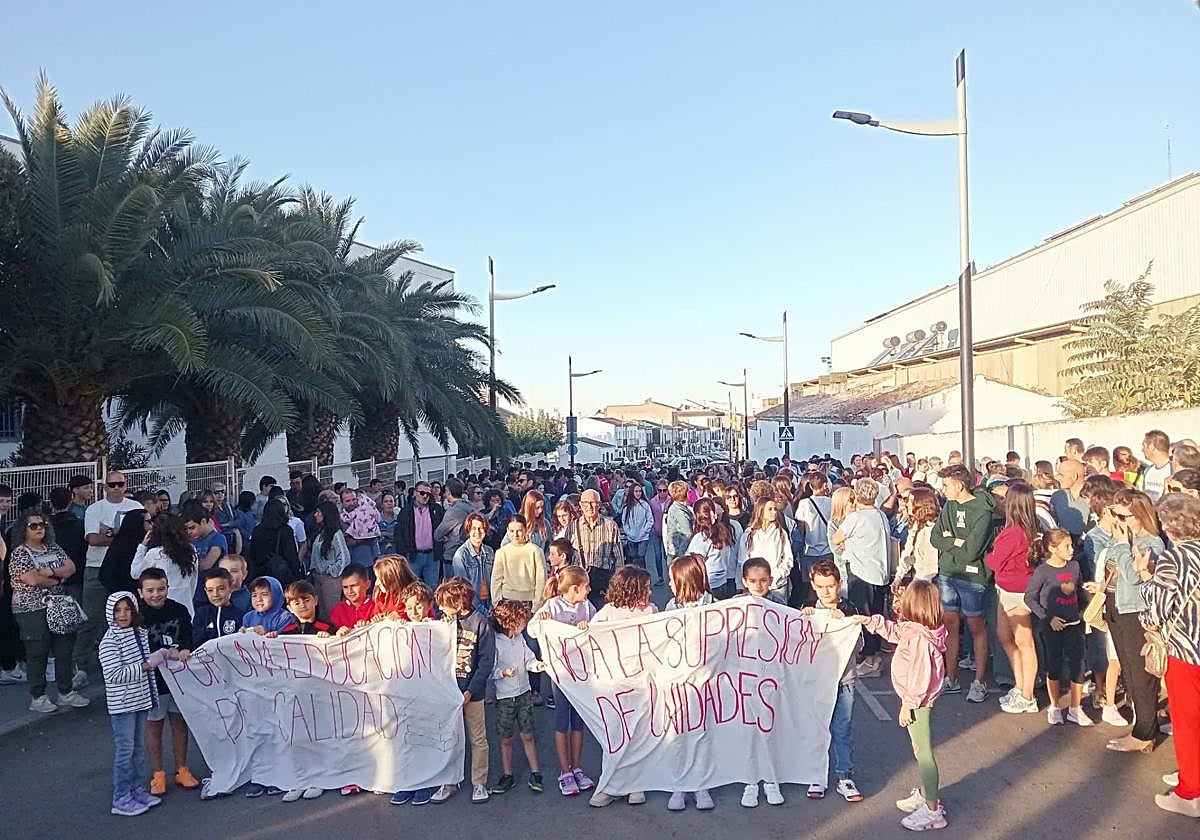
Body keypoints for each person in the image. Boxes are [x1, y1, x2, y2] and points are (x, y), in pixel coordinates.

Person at [849, 580, 948, 832]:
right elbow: (894, 631)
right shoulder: (917, 630)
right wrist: (870, 621)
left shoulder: (919, 639)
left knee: (922, 752)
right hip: (918, 701)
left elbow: (920, 676)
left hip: (918, 703)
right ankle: (927, 793)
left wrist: (909, 705)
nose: (898, 602)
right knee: (920, 750)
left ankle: (933, 810)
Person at [1135, 493, 1200, 818]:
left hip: (1186, 649)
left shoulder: (1175, 559)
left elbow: (1157, 608)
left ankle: (1190, 791)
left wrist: (1145, 577)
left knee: (1187, 722)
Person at [1099, 488, 1166, 748]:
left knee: (1141, 675)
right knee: (1128, 672)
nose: (1119, 521)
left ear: (1138, 515)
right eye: (1115, 514)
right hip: (1118, 606)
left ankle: (1145, 734)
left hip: (1136, 611)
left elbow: (1133, 576)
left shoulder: (1152, 543)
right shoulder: (1127, 538)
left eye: (1123, 515)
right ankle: (1140, 727)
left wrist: (1120, 544)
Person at [586, 564, 656, 808]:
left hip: (641, 684)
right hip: (614, 684)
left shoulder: (650, 611)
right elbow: (588, 635)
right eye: (645, 588)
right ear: (632, 589)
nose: (649, 592)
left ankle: (637, 785)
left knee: (638, 736)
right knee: (614, 737)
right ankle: (612, 785)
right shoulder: (608, 612)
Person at [7, 511, 90, 713]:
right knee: (38, 652)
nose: (39, 529)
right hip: (31, 609)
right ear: (23, 529)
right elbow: (32, 579)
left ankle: (66, 692)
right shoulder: (20, 553)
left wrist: (50, 573)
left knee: (64, 648)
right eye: (33, 526)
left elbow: (70, 567)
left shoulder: (53, 547)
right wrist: (58, 579)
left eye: (42, 524)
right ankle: (38, 696)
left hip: (58, 605)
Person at [423, 577, 494, 806]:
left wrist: (471, 691)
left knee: (477, 738)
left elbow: (486, 662)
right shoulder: (442, 622)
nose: (440, 608)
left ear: (459, 602)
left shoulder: (480, 623)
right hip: (447, 691)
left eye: (445, 603)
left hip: (472, 692)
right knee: (449, 737)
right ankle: (449, 780)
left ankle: (479, 782)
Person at [100, 591, 169, 816]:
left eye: (127, 609)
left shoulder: (139, 633)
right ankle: (120, 797)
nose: (123, 614)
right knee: (125, 751)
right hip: (122, 705)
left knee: (138, 749)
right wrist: (147, 664)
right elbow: (113, 675)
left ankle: (137, 789)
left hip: (141, 700)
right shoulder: (109, 641)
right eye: (117, 610)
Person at [930, 464, 995, 702]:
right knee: (950, 626)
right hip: (948, 572)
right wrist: (958, 542)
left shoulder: (982, 511)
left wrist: (953, 541)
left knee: (976, 626)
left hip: (972, 576)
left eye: (946, 485)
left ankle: (979, 682)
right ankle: (951, 678)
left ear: (959, 485)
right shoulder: (948, 505)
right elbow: (936, 536)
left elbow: (972, 552)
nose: (942, 489)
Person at [800, 560, 862, 804]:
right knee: (817, 727)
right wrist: (804, 620)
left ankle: (844, 775)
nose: (826, 592)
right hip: (816, 680)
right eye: (820, 586)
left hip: (844, 678)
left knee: (842, 728)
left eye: (831, 586)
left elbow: (860, 646)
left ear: (839, 584)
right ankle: (816, 773)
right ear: (813, 586)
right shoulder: (806, 610)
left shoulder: (850, 608)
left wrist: (845, 621)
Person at [135, 567, 199, 795]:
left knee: (179, 722)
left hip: (178, 677)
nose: (156, 594)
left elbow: (188, 637)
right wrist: (163, 654)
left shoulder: (179, 610)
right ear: (141, 592)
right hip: (153, 680)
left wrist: (184, 649)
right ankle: (158, 773)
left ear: (167, 588)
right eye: (150, 590)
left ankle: (182, 768)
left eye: (161, 589)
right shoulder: (137, 616)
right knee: (154, 725)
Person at [535, 566, 596, 796]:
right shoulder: (552, 606)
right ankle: (564, 771)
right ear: (574, 588)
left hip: (581, 673)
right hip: (560, 673)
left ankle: (577, 767)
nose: (589, 590)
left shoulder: (586, 607)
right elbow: (533, 630)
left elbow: (596, 629)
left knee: (578, 722)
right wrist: (542, 619)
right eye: (585, 587)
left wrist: (588, 627)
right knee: (562, 720)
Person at [1024, 529, 1092, 729]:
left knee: (1078, 665)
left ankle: (1075, 708)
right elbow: (1029, 597)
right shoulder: (1043, 571)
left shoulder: (1075, 566)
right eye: (1066, 546)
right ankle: (1054, 706)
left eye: (1072, 545)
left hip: (1074, 624)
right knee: (1053, 665)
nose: (1071, 550)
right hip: (1052, 627)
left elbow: (1078, 591)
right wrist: (1047, 617)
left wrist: (1084, 609)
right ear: (1052, 549)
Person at [663, 553, 714, 811]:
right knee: (679, 732)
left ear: (685, 580)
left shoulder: (713, 606)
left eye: (673, 579)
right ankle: (680, 784)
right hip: (679, 682)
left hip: (705, 681)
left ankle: (701, 784)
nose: (670, 585)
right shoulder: (671, 608)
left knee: (702, 733)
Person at [985, 483, 1041, 714]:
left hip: (1016, 591)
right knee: (1005, 636)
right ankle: (1020, 685)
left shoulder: (1012, 534)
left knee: (1024, 642)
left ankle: (1028, 694)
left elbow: (994, 562)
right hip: (1006, 589)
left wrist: (989, 555)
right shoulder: (1029, 529)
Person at [81, 472, 144, 672]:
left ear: (125, 486)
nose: (116, 488)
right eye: (112, 484)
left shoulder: (136, 507)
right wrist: (123, 537)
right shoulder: (94, 509)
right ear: (105, 487)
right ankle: (79, 666)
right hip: (97, 566)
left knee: (130, 617)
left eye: (120, 484)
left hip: (128, 568)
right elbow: (92, 539)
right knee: (91, 619)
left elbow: (142, 537)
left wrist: (109, 533)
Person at [832, 479, 891, 679]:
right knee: (875, 614)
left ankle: (870, 658)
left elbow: (836, 538)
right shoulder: (881, 515)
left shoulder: (855, 518)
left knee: (862, 615)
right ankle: (872, 655)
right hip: (879, 571)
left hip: (861, 571)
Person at [488, 599, 545, 796]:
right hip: (505, 696)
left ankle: (536, 772)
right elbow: (491, 669)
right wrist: (503, 673)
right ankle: (507, 774)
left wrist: (536, 665)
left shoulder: (519, 639)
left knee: (528, 734)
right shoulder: (495, 642)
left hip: (524, 693)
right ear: (511, 622)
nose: (525, 625)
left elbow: (528, 658)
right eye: (522, 621)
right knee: (506, 738)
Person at [131, 513, 198, 619]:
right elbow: (194, 580)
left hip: (163, 605)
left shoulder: (155, 553)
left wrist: (142, 546)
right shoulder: (190, 550)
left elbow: (135, 573)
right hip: (186, 603)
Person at [568, 489, 625, 609]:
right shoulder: (573, 527)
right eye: (585, 503)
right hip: (579, 583)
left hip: (603, 582)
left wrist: (617, 585)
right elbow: (568, 557)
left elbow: (618, 559)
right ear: (580, 506)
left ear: (599, 504)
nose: (589, 507)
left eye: (593, 503)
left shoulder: (610, 526)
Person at [738, 496, 793, 603]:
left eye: (775, 509)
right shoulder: (749, 534)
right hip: (755, 585)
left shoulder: (781, 533)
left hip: (777, 585)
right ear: (761, 510)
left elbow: (788, 558)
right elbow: (743, 559)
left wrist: (779, 574)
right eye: (770, 509)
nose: (774, 512)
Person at [492, 515, 547, 608]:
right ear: (507, 531)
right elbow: (496, 579)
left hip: (528, 601)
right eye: (512, 531)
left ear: (525, 530)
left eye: (519, 531)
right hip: (507, 601)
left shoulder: (535, 551)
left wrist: (537, 604)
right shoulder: (502, 552)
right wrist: (497, 602)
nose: (515, 534)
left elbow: (541, 579)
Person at [396, 481, 443, 588]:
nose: (425, 496)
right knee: (411, 587)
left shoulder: (436, 509)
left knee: (432, 587)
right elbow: (399, 533)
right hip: (413, 556)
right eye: (422, 493)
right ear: (415, 493)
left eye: (428, 494)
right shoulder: (406, 511)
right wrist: (404, 553)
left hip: (432, 556)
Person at [687, 498, 737, 600]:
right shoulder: (724, 532)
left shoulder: (701, 538)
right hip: (722, 582)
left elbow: (695, 564)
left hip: (707, 585)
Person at [308, 500, 351, 617]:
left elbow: (344, 558)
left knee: (332, 611)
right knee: (321, 612)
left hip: (330, 578)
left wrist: (330, 570)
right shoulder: (320, 533)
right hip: (318, 576)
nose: (315, 515)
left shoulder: (336, 534)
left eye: (318, 512)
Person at [893, 487, 939, 587]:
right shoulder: (916, 525)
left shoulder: (931, 529)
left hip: (927, 583)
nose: (907, 504)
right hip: (918, 579)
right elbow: (908, 553)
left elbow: (932, 565)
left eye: (910, 501)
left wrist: (918, 584)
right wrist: (899, 577)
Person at [247, 500, 302, 585]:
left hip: (260, 574)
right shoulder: (286, 530)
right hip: (280, 573)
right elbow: (291, 555)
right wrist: (297, 574)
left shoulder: (257, 530)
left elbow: (252, 554)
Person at [452, 513, 496, 614]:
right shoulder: (461, 555)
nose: (477, 532)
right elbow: (464, 588)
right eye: (474, 528)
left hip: (489, 602)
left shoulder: (489, 551)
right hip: (472, 605)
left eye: (481, 528)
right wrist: (482, 610)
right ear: (468, 530)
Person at [191, 567, 246, 647]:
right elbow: (195, 641)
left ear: (230, 588)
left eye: (221, 589)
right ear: (205, 591)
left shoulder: (240, 615)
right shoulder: (201, 613)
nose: (215, 594)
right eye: (210, 590)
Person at [340, 488, 383, 567]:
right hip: (353, 564)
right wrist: (366, 538)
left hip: (372, 560)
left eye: (354, 499)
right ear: (342, 503)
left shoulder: (366, 513)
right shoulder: (341, 520)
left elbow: (375, 535)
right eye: (348, 501)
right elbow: (345, 542)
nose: (352, 503)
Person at [330, 565, 377, 636]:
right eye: (345, 587)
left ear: (368, 584)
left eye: (354, 585)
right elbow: (331, 636)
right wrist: (338, 633)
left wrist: (371, 625)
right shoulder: (337, 610)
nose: (349, 591)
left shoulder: (377, 605)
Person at [619, 483, 654, 571]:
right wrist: (628, 532)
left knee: (641, 558)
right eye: (636, 491)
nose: (638, 493)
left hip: (643, 537)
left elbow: (650, 520)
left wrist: (644, 531)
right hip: (631, 537)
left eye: (640, 491)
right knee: (633, 558)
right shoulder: (627, 507)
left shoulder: (645, 505)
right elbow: (624, 522)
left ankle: (644, 577)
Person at [662, 481, 695, 568]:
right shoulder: (680, 512)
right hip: (678, 553)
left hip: (675, 551)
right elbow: (687, 534)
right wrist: (683, 558)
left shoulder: (678, 508)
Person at [1138, 429, 1173, 501]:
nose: (1142, 450)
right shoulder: (1147, 471)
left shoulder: (1173, 470)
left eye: (1144, 446)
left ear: (1151, 447)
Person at [648, 479, 672, 585]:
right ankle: (660, 577)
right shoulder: (652, 502)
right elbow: (650, 516)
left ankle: (671, 577)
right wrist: (652, 527)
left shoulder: (671, 501)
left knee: (668, 556)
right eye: (659, 490)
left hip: (668, 532)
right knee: (657, 555)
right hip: (656, 532)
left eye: (664, 490)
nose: (662, 493)